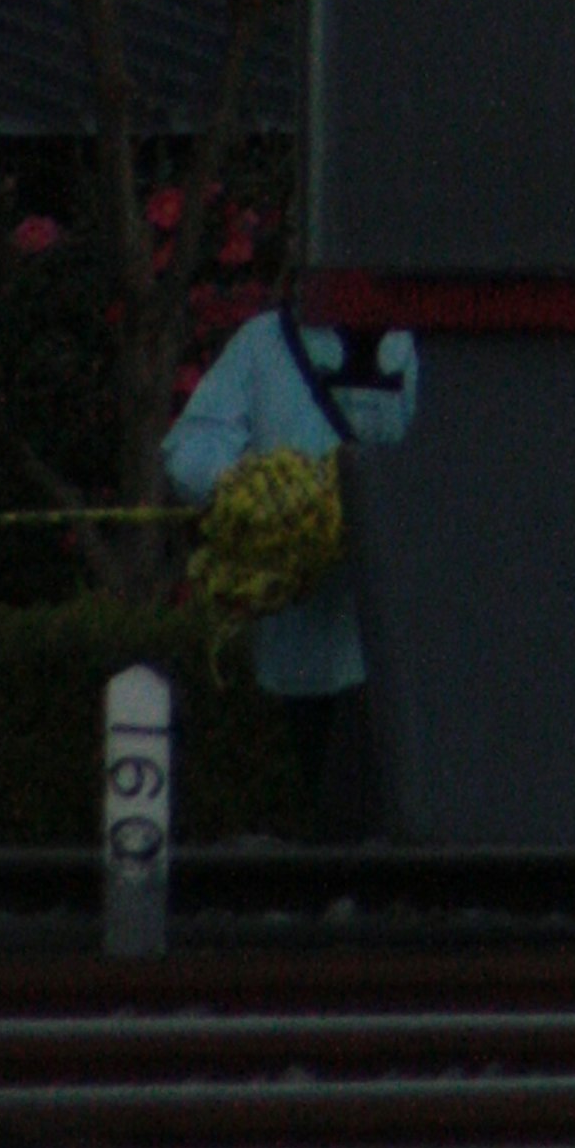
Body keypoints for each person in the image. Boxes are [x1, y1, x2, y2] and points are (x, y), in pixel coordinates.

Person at [165, 305, 420, 838]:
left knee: (352, 807)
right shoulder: (266, 343)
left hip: (388, 640)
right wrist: (265, 498)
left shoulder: (415, 344)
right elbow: (191, 453)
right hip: (300, 645)